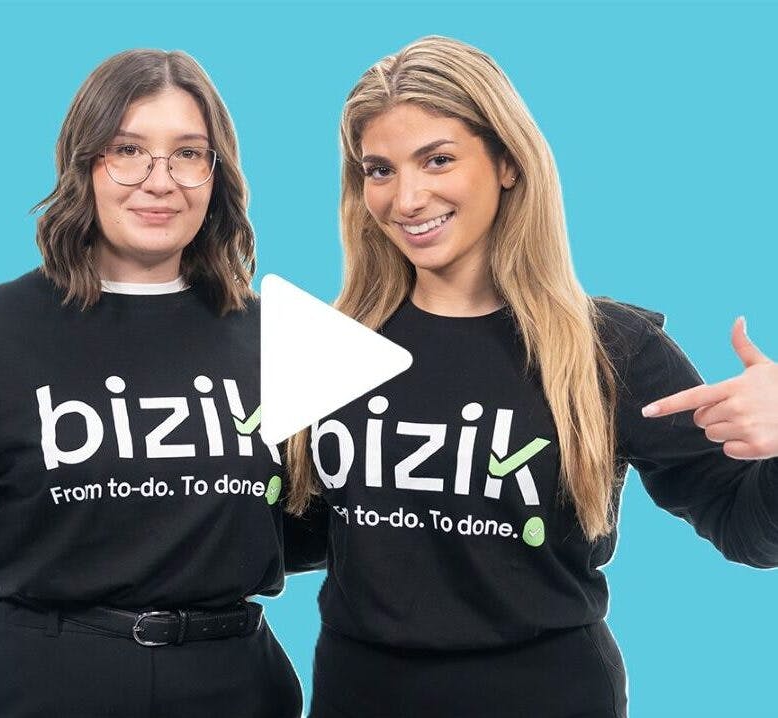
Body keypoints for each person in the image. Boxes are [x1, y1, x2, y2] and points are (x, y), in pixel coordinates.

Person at [286, 35, 778, 718]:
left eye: (438, 159)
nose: (406, 197)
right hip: (359, 694)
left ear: (508, 164)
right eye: (379, 169)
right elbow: (290, 538)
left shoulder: (611, 349)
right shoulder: (329, 345)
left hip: (547, 696)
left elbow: (748, 531)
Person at [0, 49, 303, 718]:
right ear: (83, 163)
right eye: (128, 150)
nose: (159, 180)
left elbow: (342, 526)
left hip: (234, 683)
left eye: (187, 153)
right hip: (42, 682)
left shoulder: (281, 339)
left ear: (217, 174)